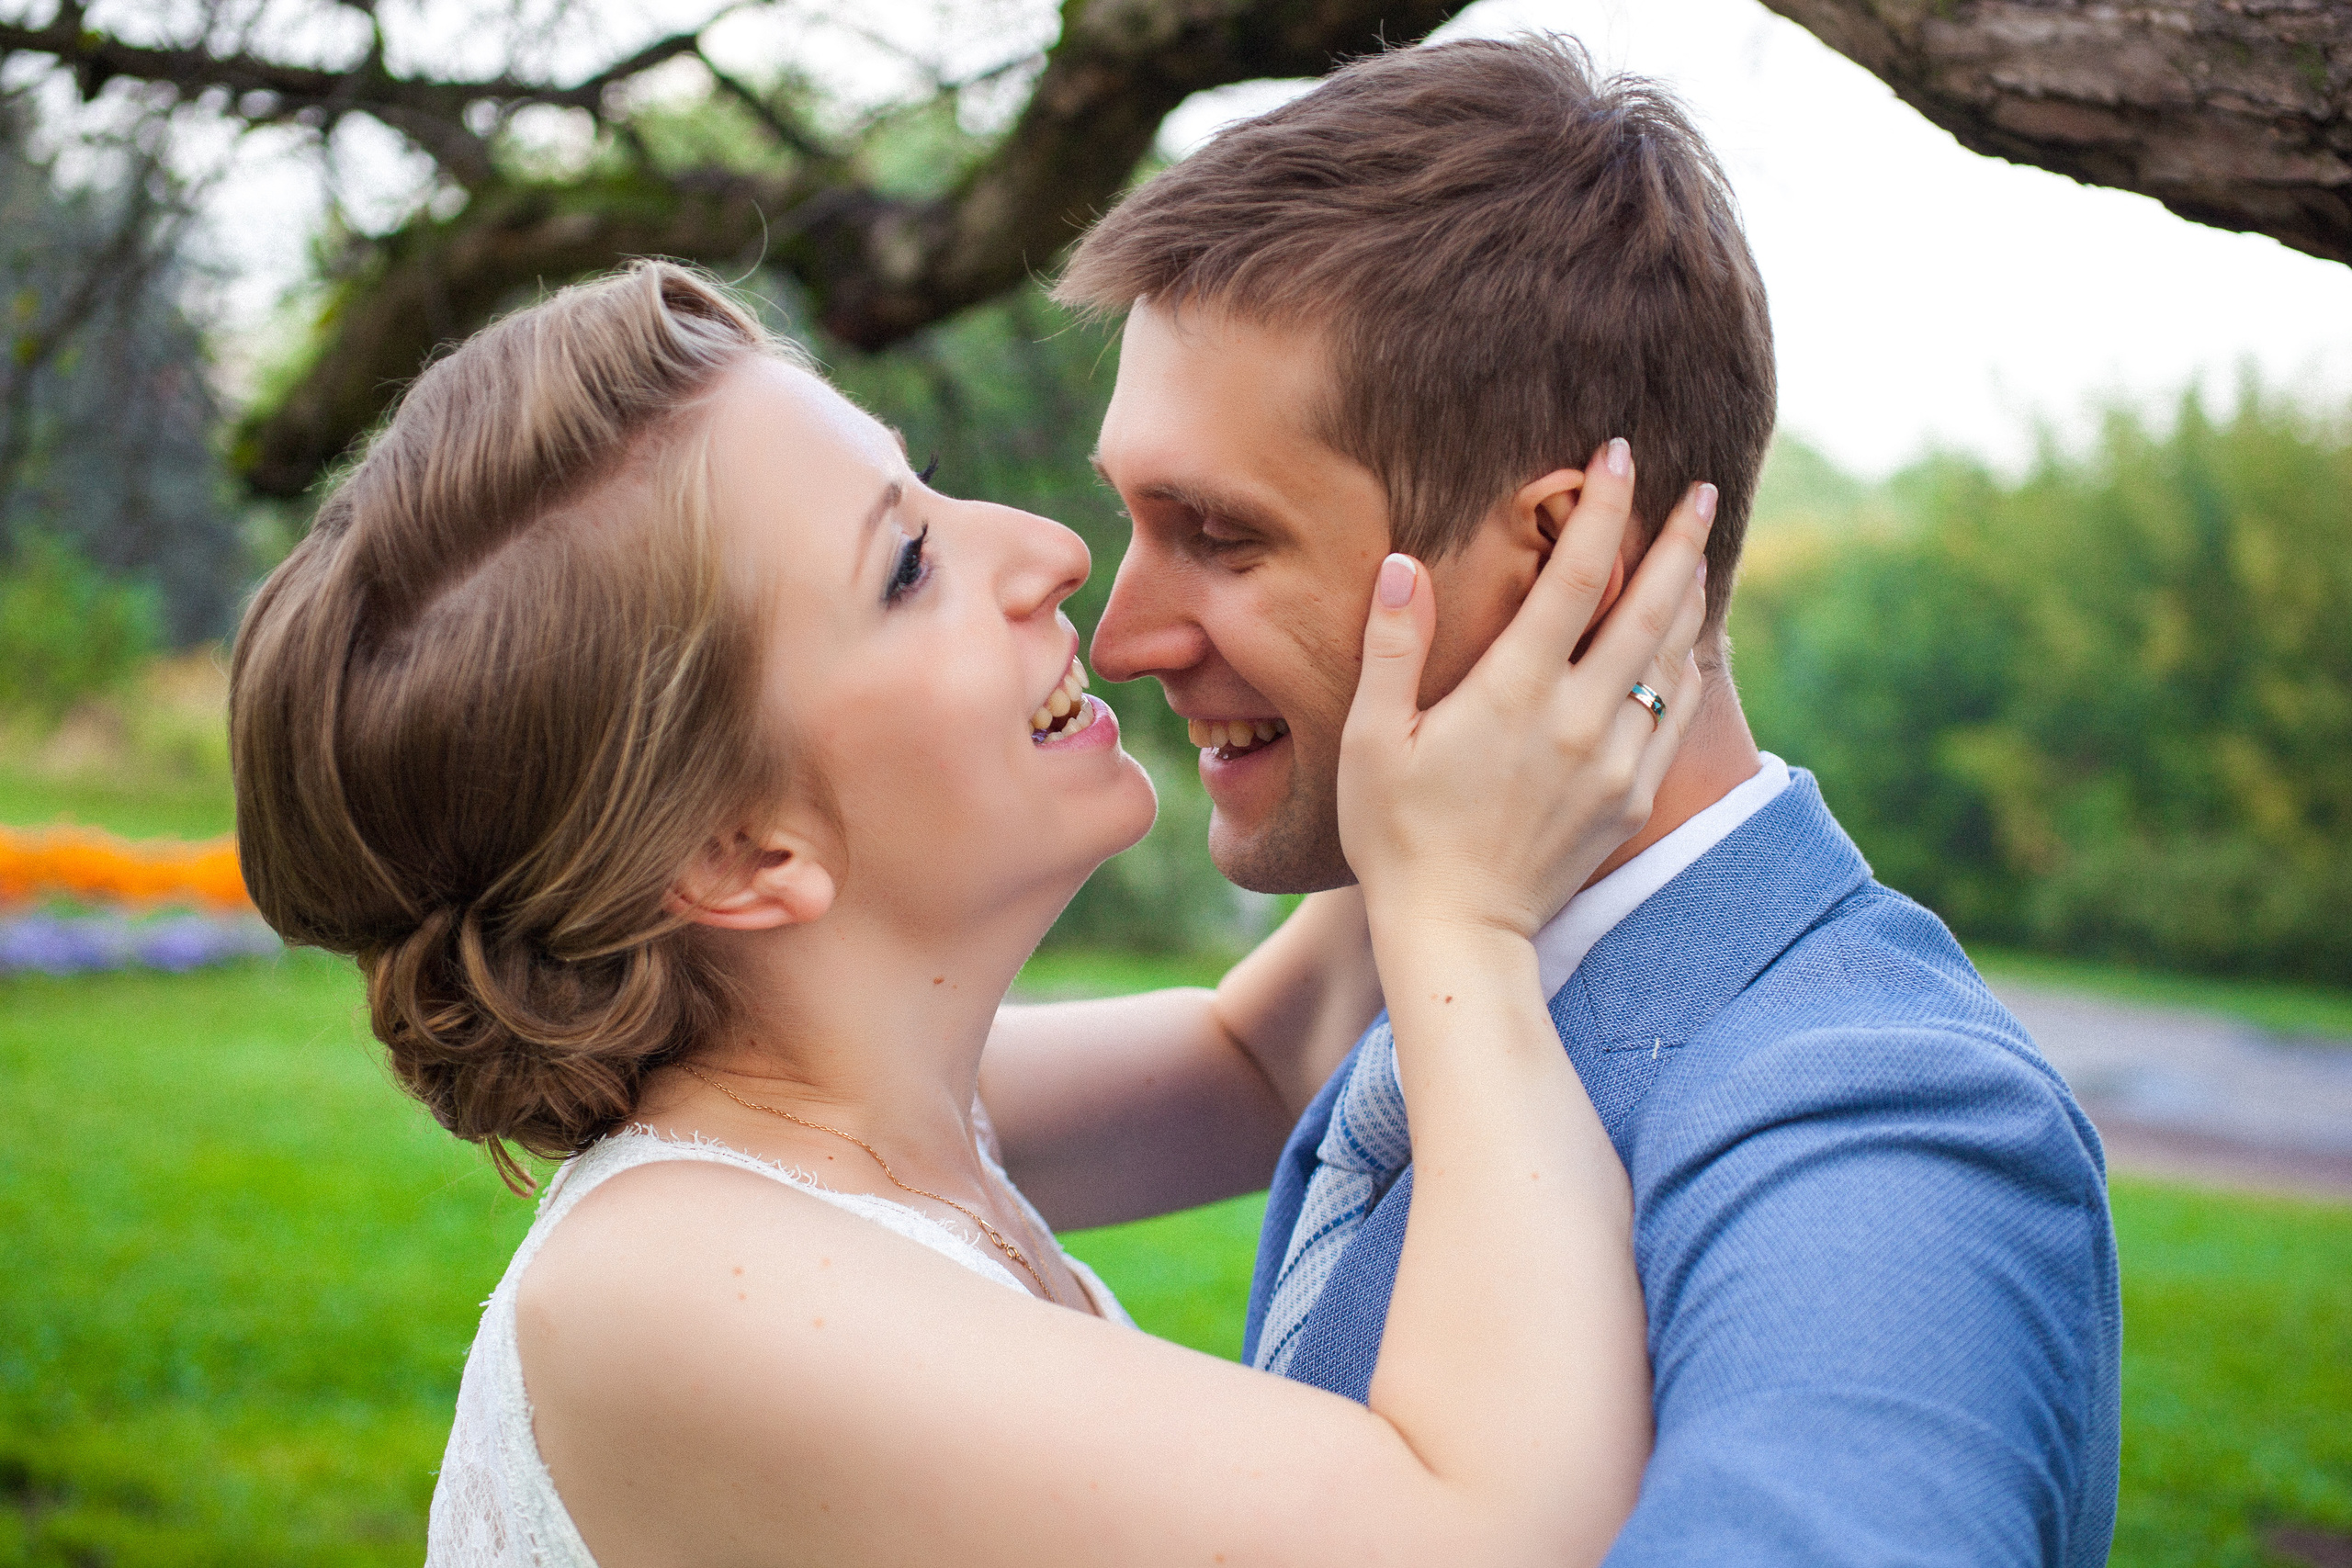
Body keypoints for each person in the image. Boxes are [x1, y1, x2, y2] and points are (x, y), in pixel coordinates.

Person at [228, 258, 1715, 1565]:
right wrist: (1462, 930)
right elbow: (1491, 1541)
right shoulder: (670, 1296)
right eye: (910, 565)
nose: (1051, 551)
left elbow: (1264, 1061)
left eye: (924, 481)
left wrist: (1511, 631)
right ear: (739, 851)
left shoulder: (864, 1127)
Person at [982, 34, 2121, 1567]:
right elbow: (1220, 1068)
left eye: (1219, 535)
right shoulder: (1428, 926)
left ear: (1561, 549)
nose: (1122, 640)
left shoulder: (1889, 1130)